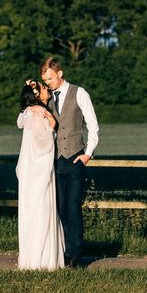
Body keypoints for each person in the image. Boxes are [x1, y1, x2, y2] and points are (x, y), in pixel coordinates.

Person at [36, 56, 99, 268]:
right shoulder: (48, 97)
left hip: (75, 159)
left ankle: (76, 255)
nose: (48, 83)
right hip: (55, 162)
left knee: (73, 208)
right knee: (61, 209)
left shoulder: (79, 93)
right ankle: (64, 252)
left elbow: (93, 125)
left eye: (51, 78)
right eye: (45, 80)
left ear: (60, 73)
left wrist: (87, 154)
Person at [15, 79, 65, 270]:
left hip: (34, 172)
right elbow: (42, 144)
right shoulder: (37, 114)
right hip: (39, 173)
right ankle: (41, 260)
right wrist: (52, 126)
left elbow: (20, 121)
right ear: (36, 95)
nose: (48, 90)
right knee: (41, 211)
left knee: (37, 211)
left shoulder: (33, 112)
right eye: (44, 88)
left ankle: (37, 258)